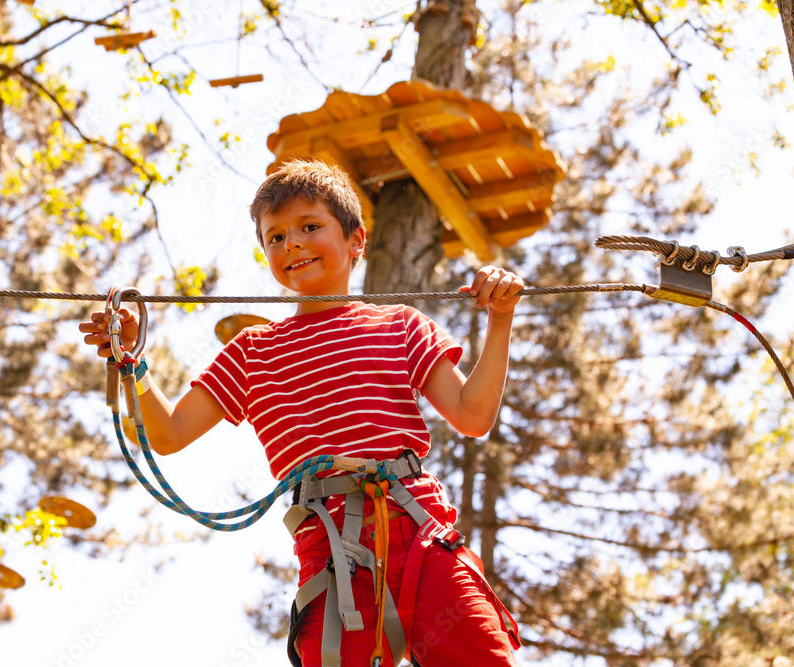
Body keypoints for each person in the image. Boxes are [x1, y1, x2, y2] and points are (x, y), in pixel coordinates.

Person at [80, 159, 524, 666]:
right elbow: (168, 433)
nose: (291, 243)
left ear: (356, 240)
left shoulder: (401, 326)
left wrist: (500, 320)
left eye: (310, 227)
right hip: (332, 552)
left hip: (421, 533)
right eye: (275, 237)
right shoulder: (254, 351)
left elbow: (473, 415)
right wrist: (131, 360)